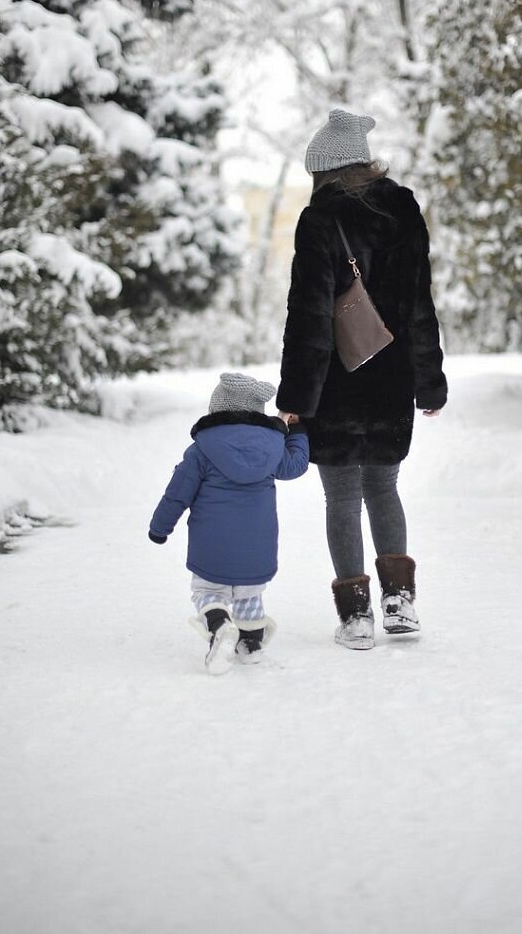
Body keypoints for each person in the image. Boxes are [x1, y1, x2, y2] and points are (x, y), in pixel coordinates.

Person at [277, 109, 447, 650]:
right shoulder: (404, 210)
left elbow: (307, 318)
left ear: (325, 171)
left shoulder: (319, 221)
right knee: (384, 487)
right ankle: (400, 604)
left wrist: (296, 398)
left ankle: (356, 617)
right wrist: (429, 380)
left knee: (342, 499)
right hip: (392, 376)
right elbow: (420, 302)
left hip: (337, 381)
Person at [148, 372, 309, 674]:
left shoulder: (201, 449)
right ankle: (250, 644)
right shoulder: (274, 446)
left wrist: (160, 528)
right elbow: (297, 465)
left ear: (217, 409)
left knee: (207, 591)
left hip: (211, 546)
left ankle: (220, 625)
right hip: (257, 548)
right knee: (250, 593)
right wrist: (296, 429)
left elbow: (177, 494)